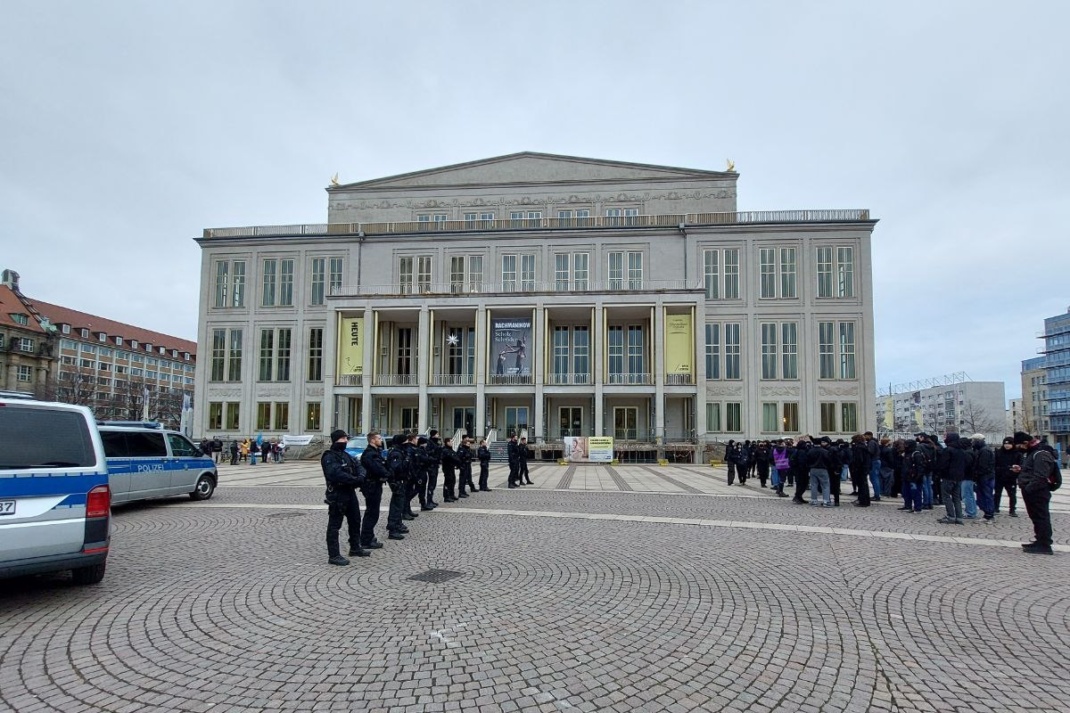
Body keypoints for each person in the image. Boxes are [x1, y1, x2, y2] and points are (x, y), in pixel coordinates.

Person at [321, 429, 370, 566]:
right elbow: (335, 474)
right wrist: (355, 480)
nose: (346, 441)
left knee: (355, 520)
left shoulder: (346, 455)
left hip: (349, 492)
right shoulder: (329, 456)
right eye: (343, 439)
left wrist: (360, 477)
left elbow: (359, 466)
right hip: (337, 494)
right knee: (334, 525)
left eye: (346, 439)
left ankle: (355, 547)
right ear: (336, 440)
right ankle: (334, 555)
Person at [1012, 431, 1056, 555]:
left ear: (1026, 443)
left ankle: (1045, 544)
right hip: (1032, 491)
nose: (1019, 449)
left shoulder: (1041, 453)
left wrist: (1028, 488)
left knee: (1041, 517)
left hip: (1038, 492)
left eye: (1019, 445)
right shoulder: (1033, 452)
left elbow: (1041, 475)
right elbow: (1033, 470)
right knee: (1036, 517)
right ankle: (1040, 540)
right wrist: (1022, 469)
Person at [358, 431, 388, 549]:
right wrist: (388, 473)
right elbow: (378, 468)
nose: (381, 440)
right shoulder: (369, 454)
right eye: (379, 438)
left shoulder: (375, 452)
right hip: (371, 485)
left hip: (375, 484)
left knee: (373, 512)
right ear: (372, 440)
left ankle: (369, 537)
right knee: (372, 513)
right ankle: (366, 539)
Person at [384, 434, 411, 540]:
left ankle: (397, 524)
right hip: (397, 481)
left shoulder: (399, 451)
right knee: (396, 505)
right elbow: (397, 467)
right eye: (405, 441)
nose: (406, 444)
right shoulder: (396, 453)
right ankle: (392, 528)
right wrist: (406, 461)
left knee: (399, 504)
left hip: (400, 480)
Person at [936, 433, 966, 525]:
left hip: (948, 476)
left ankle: (951, 516)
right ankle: (959, 517)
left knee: (946, 496)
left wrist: (939, 474)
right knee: (956, 497)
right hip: (959, 477)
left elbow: (943, 464)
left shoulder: (948, 450)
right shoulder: (961, 450)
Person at [993, 437, 1021, 517]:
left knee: (1012, 494)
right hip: (999, 477)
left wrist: (1016, 470)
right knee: (997, 494)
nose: (1007, 445)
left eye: (1009, 444)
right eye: (1005, 444)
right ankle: (996, 508)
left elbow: (1021, 465)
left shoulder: (1017, 454)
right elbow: (994, 465)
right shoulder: (998, 453)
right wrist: (1005, 468)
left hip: (1011, 478)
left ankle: (1012, 510)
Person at [971, 434, 996, 522]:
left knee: (986, 495)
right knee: (985, 495)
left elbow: (982, 466)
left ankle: (989, 514)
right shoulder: (983, 449)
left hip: (985, 477)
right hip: (985, 476)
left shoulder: (984, 451)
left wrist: (976, 475)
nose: (972, 442)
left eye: (973, 440)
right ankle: (988, 514)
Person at [806, 437, 834, 507]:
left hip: (813, 469)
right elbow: (829, 461)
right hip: (823, 469)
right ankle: (826, 501)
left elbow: (807, 460)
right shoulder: (825, 451)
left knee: (813, 485)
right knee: (825, 485)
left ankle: (814, 500)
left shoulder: (810, 451)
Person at [849, 434, 872, 507]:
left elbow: (859, 459)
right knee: (863, 484)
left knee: (862, 485)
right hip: (864, 468)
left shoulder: (859, 448)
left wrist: (855, 467)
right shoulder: (864, 447)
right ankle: (864, 500)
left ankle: (863, 501)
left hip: (860, 469)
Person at [425, 430, 442, 510]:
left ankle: (431, 499)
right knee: (431, 483)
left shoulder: (436, 442)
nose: (438, 435)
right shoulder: (430, 443)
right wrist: (435, 451)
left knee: (434, 483)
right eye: (437, 434)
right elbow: (428, 453)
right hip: (431, 465)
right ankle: (428, 501)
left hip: (435, 464)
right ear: (433, 435)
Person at [864, 431, 881, 501]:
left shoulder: (871, 442)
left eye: (865, 436)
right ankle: (877, 494)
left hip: (874, 461)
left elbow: (870, 451)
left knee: (874, 478)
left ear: (869, 436)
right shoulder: (874, 442)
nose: (864, 438)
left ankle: (877, 495)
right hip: (876, 461)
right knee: (874, 478)